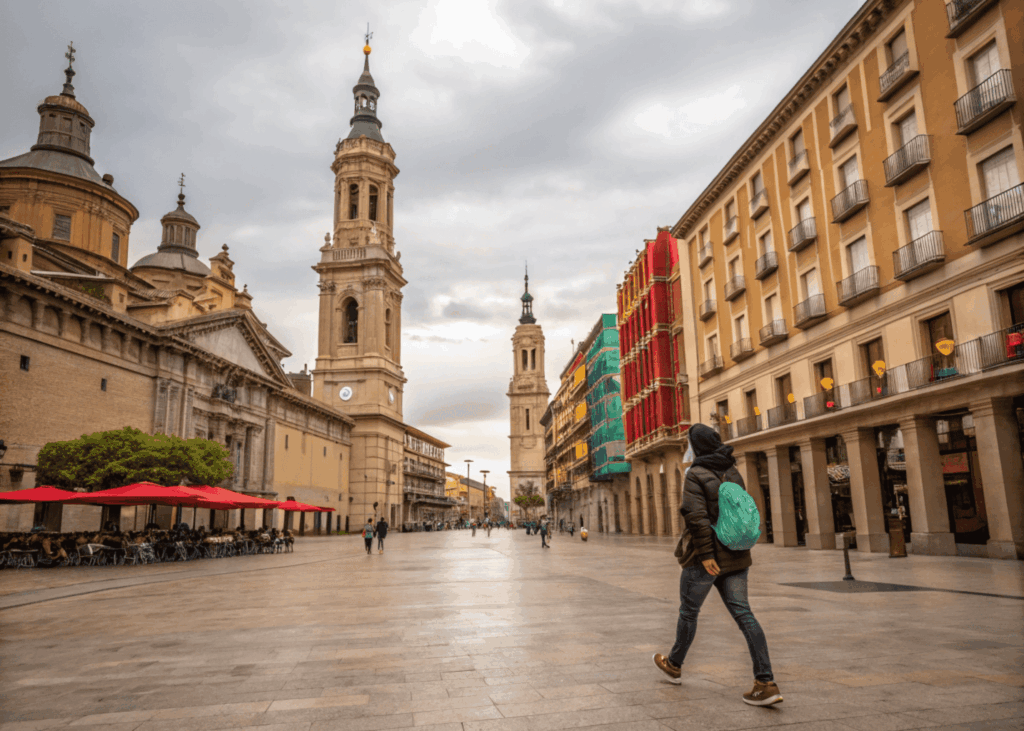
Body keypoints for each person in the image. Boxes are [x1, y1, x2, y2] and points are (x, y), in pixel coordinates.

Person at [652, 423, 782, 707]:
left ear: (696, 446)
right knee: (744, 613)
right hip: (736, 554)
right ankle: (765, 681)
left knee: (688, 612)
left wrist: (707, 554)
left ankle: (674, 665)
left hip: (706, 558)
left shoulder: (695, 474)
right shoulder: (732, 471)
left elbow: (696, 517)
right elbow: (742, 510)